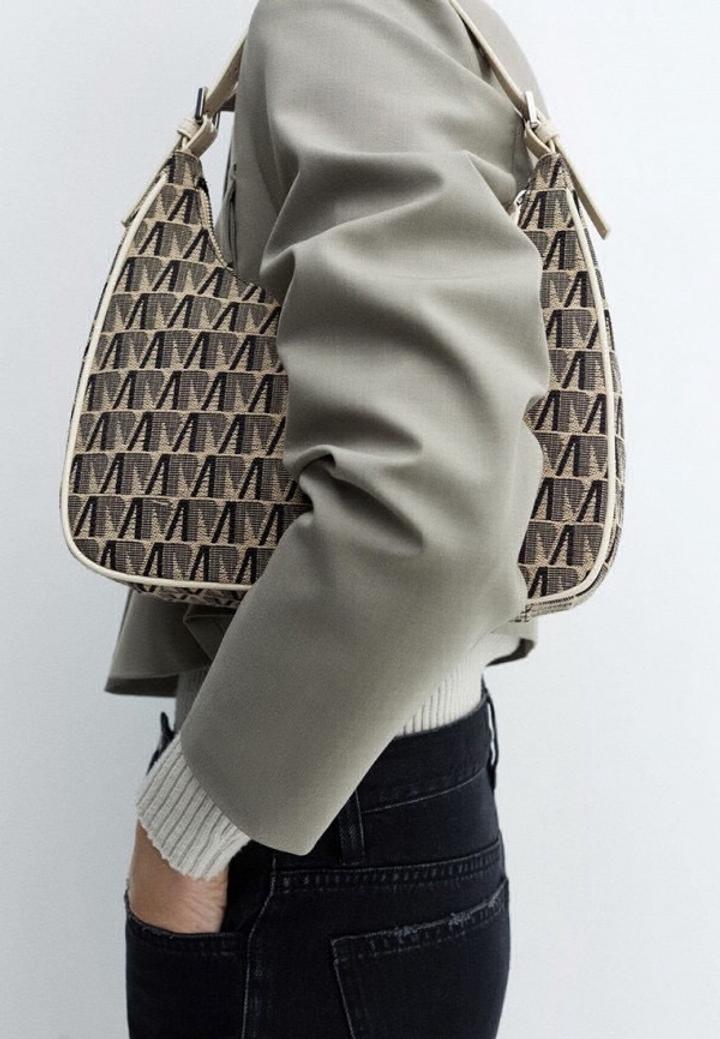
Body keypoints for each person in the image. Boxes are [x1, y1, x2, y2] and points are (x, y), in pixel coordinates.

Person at [111, 0, 551, 1035]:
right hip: (358, 802)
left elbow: (427, 501)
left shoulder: (345, 15)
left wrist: (184, 831)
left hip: (317, 823)